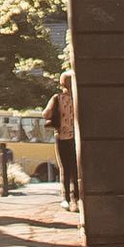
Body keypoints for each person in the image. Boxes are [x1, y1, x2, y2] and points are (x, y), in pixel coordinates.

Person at [46, 72, 78, 209]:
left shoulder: (57, 98)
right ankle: (76, 196)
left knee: (65, 167)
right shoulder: (78, 98)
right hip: (77, 138)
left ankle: (65, 198)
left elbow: (46, 113)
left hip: (62, 136)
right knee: (77, 168)